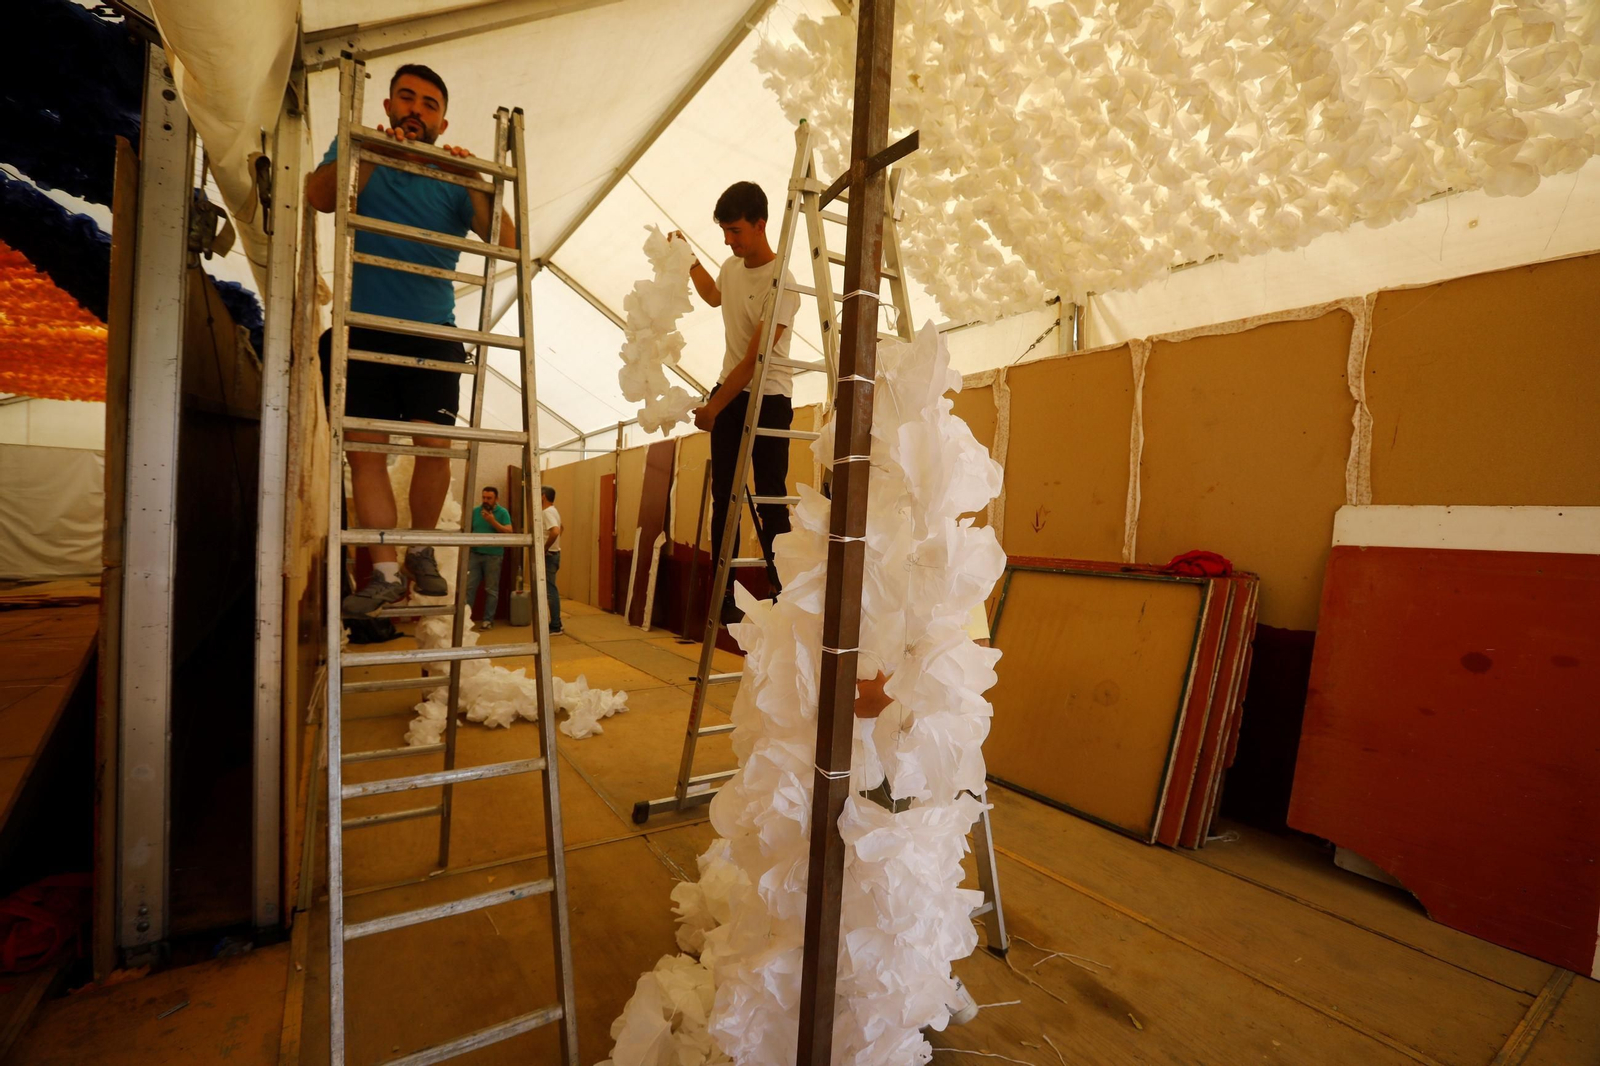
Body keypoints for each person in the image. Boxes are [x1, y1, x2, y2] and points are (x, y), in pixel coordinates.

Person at [306, 63, 517, 616]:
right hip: (362, 328)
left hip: (431, 332)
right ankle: (383, 571)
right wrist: (372, 153)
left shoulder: (452, 176)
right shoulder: (359, 148)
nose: (416, 111)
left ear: (442, 122)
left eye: (428, 105)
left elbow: (512, 243)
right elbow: (320, 197)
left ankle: (421, 548)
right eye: (407, 99)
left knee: (434, 447)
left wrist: (473, 181)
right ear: (388, 106)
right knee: (366, 456)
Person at [669, 181, 800, 622]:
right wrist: (688, 260)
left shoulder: (784, 283)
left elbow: (755, 361)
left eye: (736, 231)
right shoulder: (731, 266)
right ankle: (724, 593)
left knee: (770, 497)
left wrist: (713, 409)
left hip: (769, 398)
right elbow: (712, 295)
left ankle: (782, 590)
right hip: (730, 391)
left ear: (761, 224)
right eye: (724, 231)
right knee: (724, 498)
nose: (729, 239)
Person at [465, 486, 512, 629]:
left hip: (493, 555)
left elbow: (509, 531)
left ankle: (488, 621)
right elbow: (469, 529)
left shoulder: (502, 512)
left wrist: (492, 521)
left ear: (496, 499)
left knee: (491, 590)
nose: (485, 500)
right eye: (484, 497)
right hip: (475, 554)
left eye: (489, 498)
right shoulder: (475, 511)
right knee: (469, 588)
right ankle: (465, 620)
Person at [539, 486, 563, 634]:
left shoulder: (546, 512)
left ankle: (555, 626)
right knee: (551, 589)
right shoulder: (553, 511)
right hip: (554, 554)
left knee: (550, 591)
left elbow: (555, 531)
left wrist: (545, 548)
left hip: (549, 556)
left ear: (543, 496)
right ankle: (557, 622)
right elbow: (561, 528)